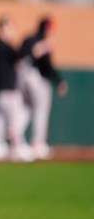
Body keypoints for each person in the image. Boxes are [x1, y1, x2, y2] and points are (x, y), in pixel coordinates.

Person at [19, 16, 68, 160]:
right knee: (41, 111)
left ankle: (15, 136)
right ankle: (38, 144)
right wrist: (58, 81)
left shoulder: (28, 39)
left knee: (27, 109)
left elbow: (20, 56)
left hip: (23, 77)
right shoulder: (44, 42)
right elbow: (47, 64)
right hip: (37, 78)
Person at [0, 15, 32, 163]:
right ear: (1, 29)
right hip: (8, 89)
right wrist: (27, 44)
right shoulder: (2, 45)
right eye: (9, 28)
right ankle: (17, 147)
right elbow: (19, 55)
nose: (11, 31)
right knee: (14, 118)